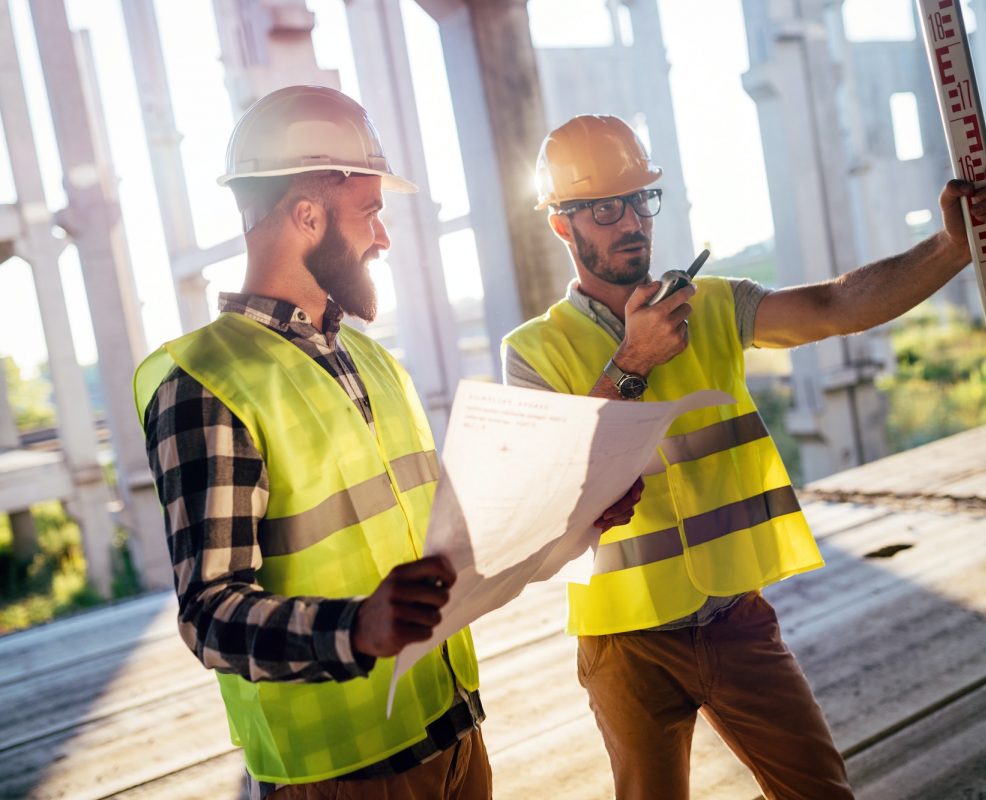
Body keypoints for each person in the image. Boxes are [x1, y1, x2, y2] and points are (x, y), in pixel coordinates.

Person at [133, 88, 640, 800]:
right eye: (371, 212)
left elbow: (439, 546)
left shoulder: (374, 363)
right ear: (307, 216)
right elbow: (209, 614)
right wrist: (355, 629)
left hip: (452, 728)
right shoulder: (206, 383)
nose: (384, 237)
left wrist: (572, 516)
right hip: (342, 776)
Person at [501, 113, 986, 800]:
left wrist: (949, 248)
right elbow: (551, 491)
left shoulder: (710, 304)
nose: (633, 223)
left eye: (642, 200)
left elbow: (833, 305)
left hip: (734, 619)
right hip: (626, 644)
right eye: (608, 208)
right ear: (563, 224)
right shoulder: (532, 352)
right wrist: (630, 362)